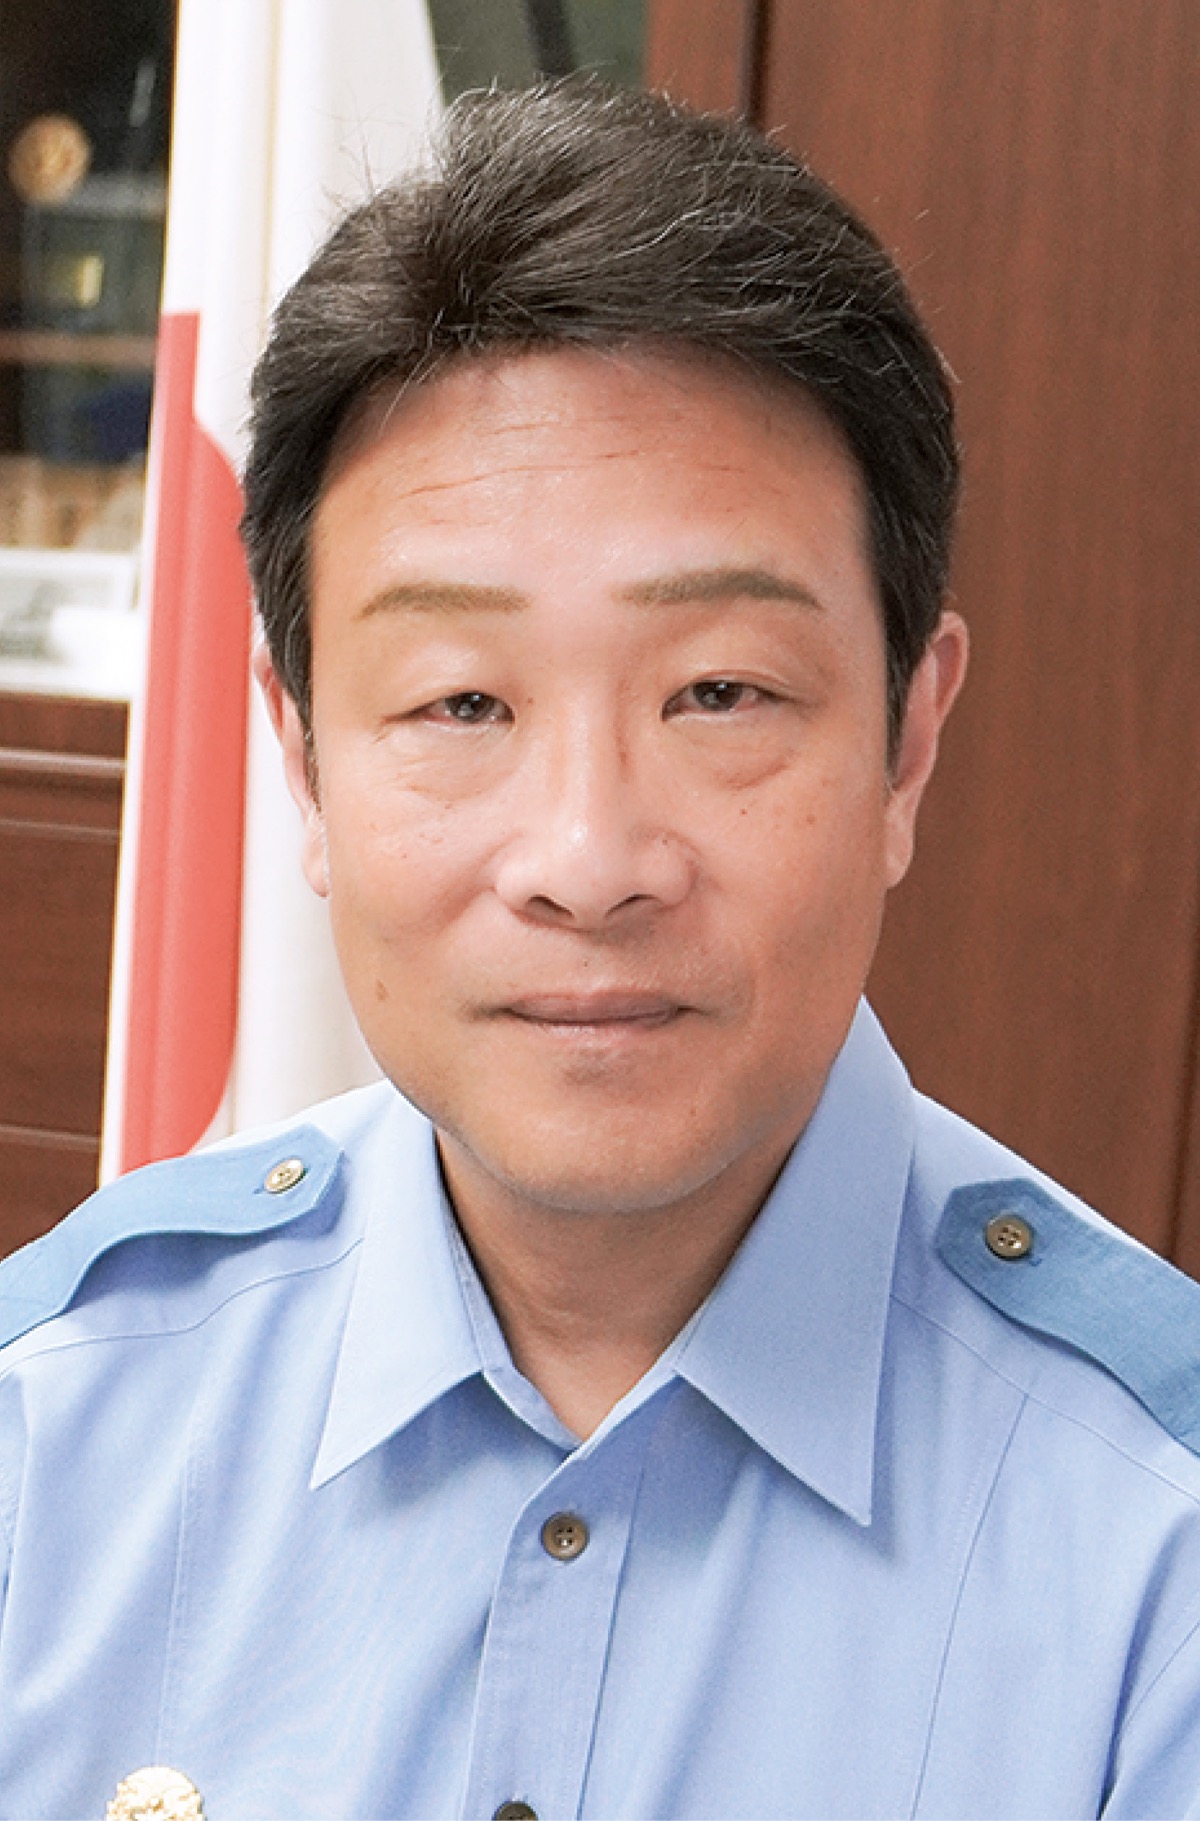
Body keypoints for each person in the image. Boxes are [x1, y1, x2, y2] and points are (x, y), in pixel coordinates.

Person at [3, 81, 1200, 1821]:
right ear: (303, 757)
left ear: (907, 743)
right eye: (461, 701)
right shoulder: (50, 1434)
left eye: (718, 691)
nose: (586, 862)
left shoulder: (1159, 1543)